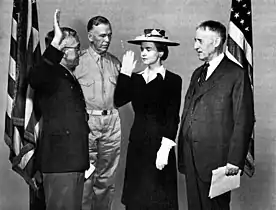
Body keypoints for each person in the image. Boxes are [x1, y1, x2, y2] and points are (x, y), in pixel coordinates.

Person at [177, 20, 255, 210]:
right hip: (191, 156)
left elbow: (243, 120)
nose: (195, 46)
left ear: (217, 41)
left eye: (200, 41)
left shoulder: (236, 74)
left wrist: (234, 160)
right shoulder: (197, 73)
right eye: (195, 40)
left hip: (217, 161)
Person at [114, 29, 182, 210]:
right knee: (137, 199)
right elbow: (118, 100)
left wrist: (165, 148)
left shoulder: (173, 80)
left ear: (161, 52)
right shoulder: (135, 78)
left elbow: (173, 116)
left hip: (160, 145)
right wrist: (125, 73)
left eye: (149, 49)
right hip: (137, 144)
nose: (143, 53)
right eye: (142, 49)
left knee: (159, 198)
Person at [28, 10, 89, 210]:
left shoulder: (67, 76)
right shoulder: (51, 75)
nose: (80, 52)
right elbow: (35, 78)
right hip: (61, 163)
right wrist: (55, 44)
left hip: (73, 162)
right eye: (76, 48)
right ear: (62, 50)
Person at [73, 16, 121, 210]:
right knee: (85, 175)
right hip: (87, 123)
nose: (107, 40)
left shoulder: (115, 63)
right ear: (90, 36)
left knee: (107, 178)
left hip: (112, 122)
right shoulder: (78, 62)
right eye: (102, 36)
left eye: (109, 35)